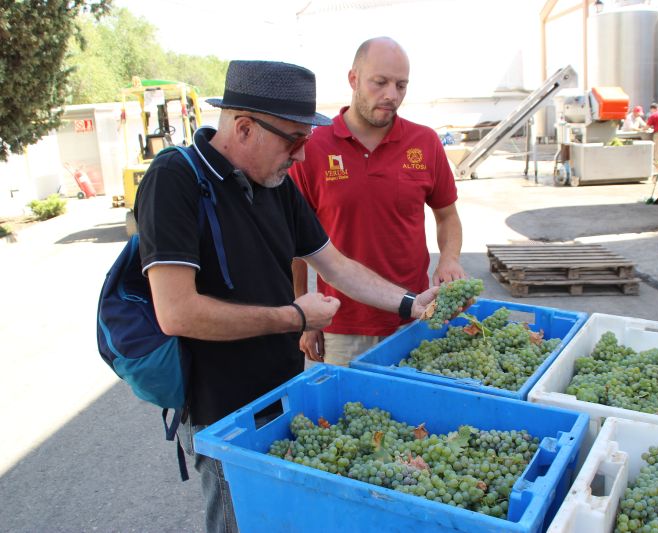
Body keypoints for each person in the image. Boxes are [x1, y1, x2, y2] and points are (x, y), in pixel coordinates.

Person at [133, 60, 440, 533]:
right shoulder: (175, 180)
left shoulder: (275, 185)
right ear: (244, 128)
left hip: (282, 396)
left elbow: (336, 265)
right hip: (223, 415)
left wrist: (408, 302)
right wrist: (295, 316)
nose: (302, 154)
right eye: (294, 140)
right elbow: (177, 313)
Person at [289, 37, 465, 367]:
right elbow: (294, 242)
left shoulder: (424, 142)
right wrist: (303, 314)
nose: (391, 95)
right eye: (380, 82)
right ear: (353, 79)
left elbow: (447, 215)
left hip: (415, 316)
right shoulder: (313, 147)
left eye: (401, 85)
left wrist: (449, 258)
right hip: (343, 325)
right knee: (349, 401)